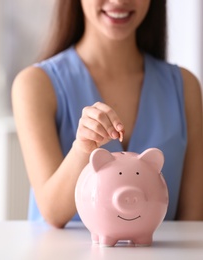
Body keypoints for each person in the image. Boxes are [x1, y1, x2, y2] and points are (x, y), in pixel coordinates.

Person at [11, 0, 203, 228]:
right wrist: (83, 148)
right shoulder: (35, 85)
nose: (120, 1)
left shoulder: (184, 86)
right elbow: (52, 212)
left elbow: (193, 222)